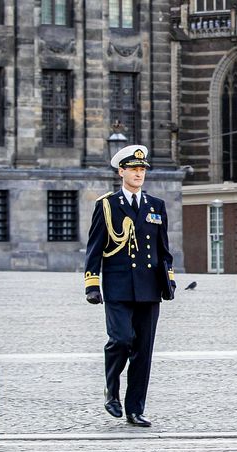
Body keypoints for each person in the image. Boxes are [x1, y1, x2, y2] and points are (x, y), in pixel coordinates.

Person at [84, 144, 175, 427]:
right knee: (121, 340)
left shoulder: (155, 206)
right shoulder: (107, 205)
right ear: (121, 171)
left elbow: (163, 249)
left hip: (148, 288)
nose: (139, 174)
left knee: (143, 351)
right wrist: (92, 283)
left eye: (142, 170)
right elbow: (95, 247)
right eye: (133, 169)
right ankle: (112, 389)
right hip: (119, 286)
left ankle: (135, 408)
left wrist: (168, 281)